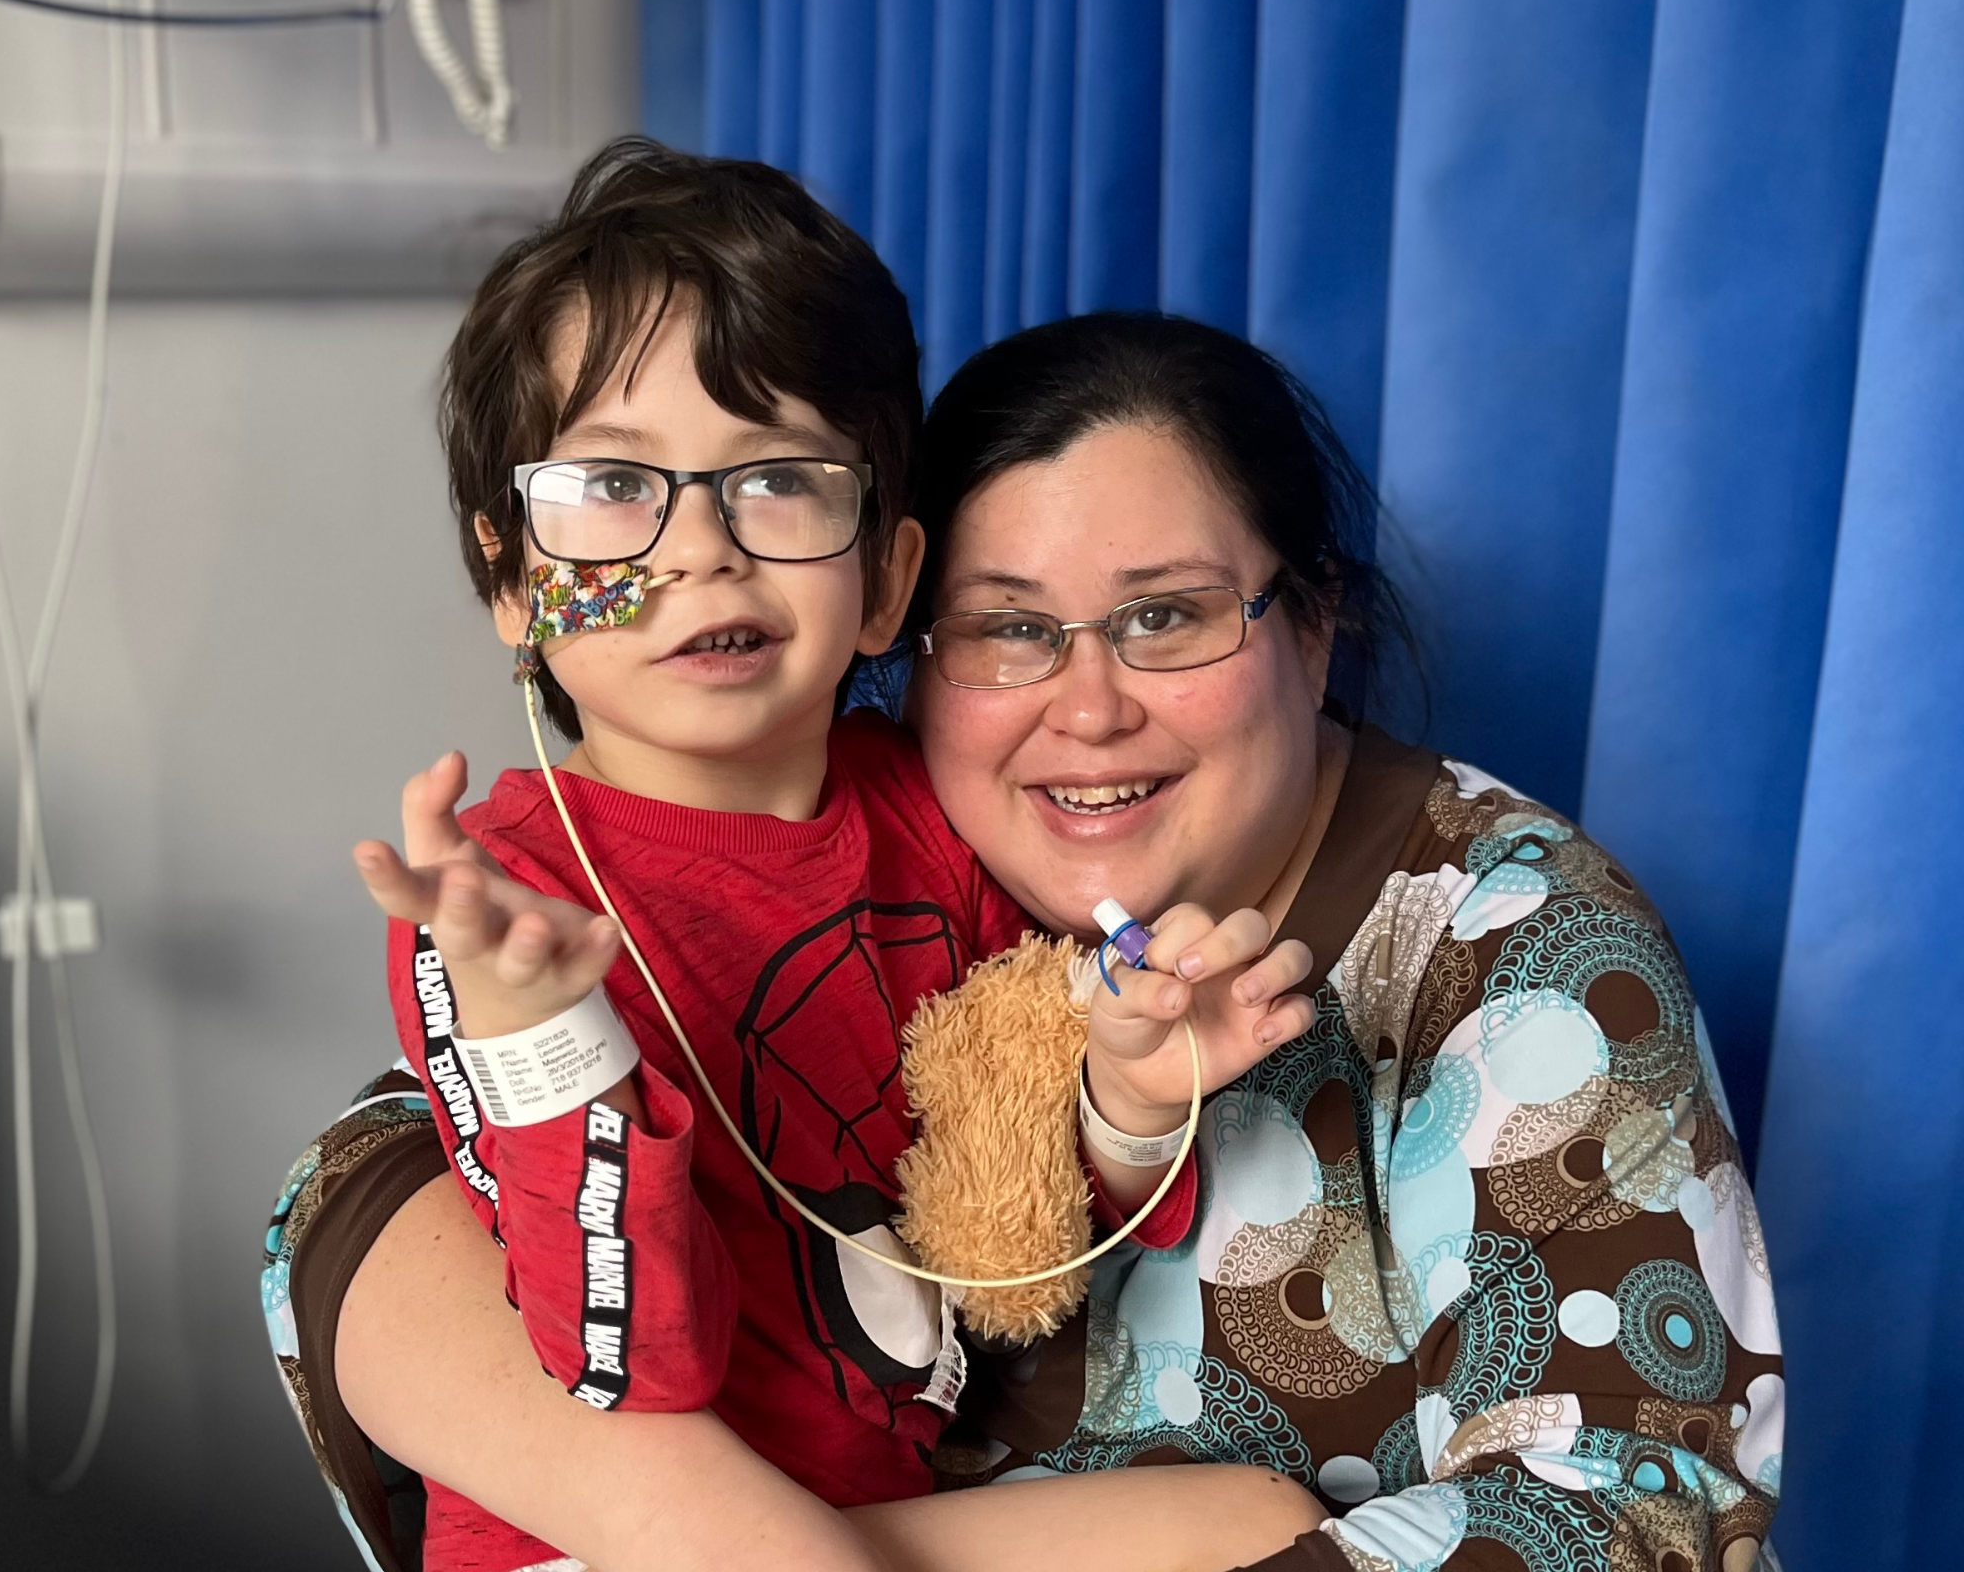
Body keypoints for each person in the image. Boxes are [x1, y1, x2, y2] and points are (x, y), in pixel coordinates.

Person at [269, 303, 1783, 1571]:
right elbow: (377, 1186)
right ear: (907, 641)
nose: (1087, 707)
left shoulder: (1509, 943)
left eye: (1167, 617)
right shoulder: (877, 865)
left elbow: (1643, 1513)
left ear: (1314, 625)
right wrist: (685, 1511)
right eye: (1005, 630)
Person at [268, 137, 1319, 1572]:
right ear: (514, 586)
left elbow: (1012, 1220)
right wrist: (549, 1046)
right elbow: (627, 1376)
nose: (702, 550)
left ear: (889, 580)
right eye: (612, 489)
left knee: (1264, 1526)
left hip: (871, 1519)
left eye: (776, 482)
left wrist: (1129, 1095)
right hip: (606, 1540)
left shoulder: (932, 817)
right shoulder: (506, 905)